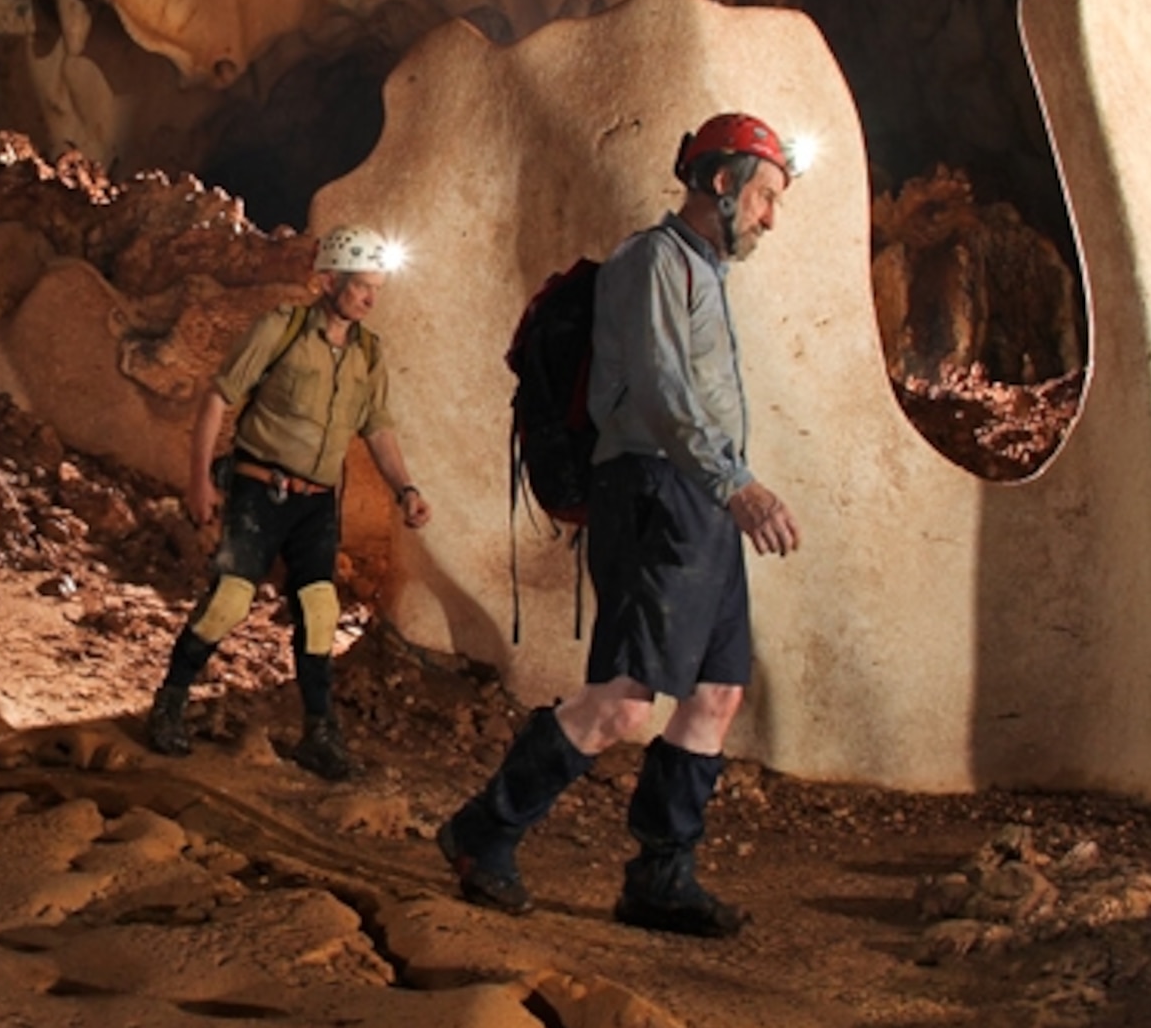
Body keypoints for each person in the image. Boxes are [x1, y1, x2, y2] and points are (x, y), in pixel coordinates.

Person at [435, 112, 805, 935]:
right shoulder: (650, 261)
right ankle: (483, 830)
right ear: (723, 182)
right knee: (625, 700)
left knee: (717, 691)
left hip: (698, 500)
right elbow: (663, 392)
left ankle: (660, 878)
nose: (772, 218)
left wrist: (724, 491)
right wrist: (737, 485)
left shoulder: (707, 275)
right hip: (652, 491)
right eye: (768, 196)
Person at [144, 225, 432, 780]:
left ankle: (318, 733)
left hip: (317, 504)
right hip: (259, 489)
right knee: (230, 599)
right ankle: (171, 701)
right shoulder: (281, 329)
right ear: (328, 282)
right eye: (361, 286)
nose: (371, 297)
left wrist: (407, 489)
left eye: (376, 287)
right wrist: (199, 480)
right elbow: (218, 396)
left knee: (321, 611)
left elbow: (378, 429)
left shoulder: (368, 354)